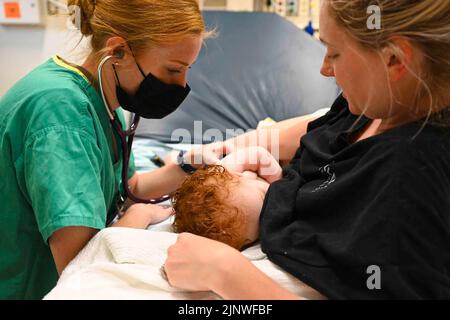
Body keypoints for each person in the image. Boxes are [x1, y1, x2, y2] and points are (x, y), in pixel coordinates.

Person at [164, 0, 450, 299]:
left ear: (394, 59)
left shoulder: (411, 178)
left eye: (334, 52)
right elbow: (317, 124)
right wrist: (195, 161)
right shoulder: (379, 103)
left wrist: (226, 273)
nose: (325, 69)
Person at [0, 0, 211, 299]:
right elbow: (79, 263)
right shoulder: (61, 114)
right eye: (173, 70)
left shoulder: (105, 96)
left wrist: (190, 165)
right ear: (118, 51)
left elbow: (127, 185)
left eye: (186, 70)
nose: (182, 85)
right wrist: (138, 217)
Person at [172, 147, 282, 250]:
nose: (273, 203)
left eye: (263, 196)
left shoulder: (228, 170)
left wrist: (279, 181)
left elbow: (258, 153)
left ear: (238, 176)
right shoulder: (242, 189)